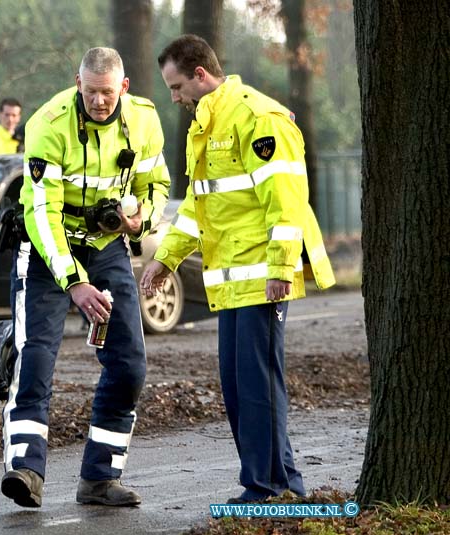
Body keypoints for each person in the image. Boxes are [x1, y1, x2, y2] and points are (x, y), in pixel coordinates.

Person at [141, 35, 336, 504]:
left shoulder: (257, 117)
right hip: (231, 281)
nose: (175, 98)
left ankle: (265, 488)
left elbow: (285, 202)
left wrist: (280, 267)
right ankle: (282, 483)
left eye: (177, 86)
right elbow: (196, 207)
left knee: (256, 387)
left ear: (201, 75)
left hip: (263, 278)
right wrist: (165, 259)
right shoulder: (205, 124)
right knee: (240, 386)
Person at [0, 47, 170, 508]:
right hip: (46, 250)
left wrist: (141, 219)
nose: (99, 102)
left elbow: (156, 187)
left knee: (130, 364)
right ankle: (26, 470)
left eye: (108, 93)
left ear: (124, 88)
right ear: (78, 85)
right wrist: (74, 283)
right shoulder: (47, 125)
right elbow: (42, 214)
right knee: (36, 359)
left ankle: (99, 479)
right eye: (91, 92)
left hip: (107, 246)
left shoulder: (145, 120)